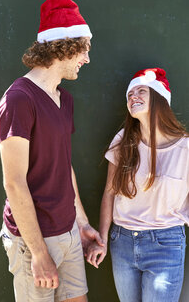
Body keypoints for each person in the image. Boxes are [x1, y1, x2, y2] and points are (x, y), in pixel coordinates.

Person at [0, 0, 103, 302]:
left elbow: (63, 165)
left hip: (68, 231)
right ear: (64, 46)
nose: (86, 59)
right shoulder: (19, 100)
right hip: (34, 239)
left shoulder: (64, 99)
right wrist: (40, 254)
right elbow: (14, 183)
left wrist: (81, 224)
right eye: (84, 50)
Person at [87, 68, 189, 302]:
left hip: (166, 243)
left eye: (141, 91)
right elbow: (109, 194)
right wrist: (101, 239)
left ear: (160, 98)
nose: (133, 97)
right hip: (122, 243)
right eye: (130, 94)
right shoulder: (123, 141)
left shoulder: (185, 148)